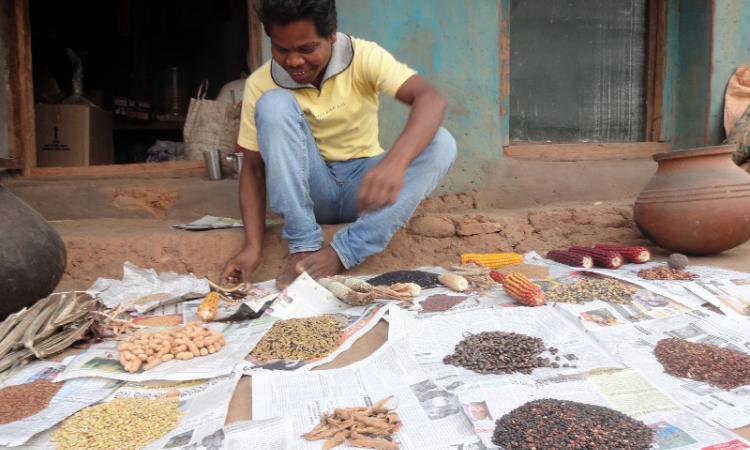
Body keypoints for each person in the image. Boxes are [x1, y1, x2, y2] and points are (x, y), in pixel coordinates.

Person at [221, 0, 456, 288]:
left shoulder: (363, 56)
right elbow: (253, 170)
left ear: (331, 34)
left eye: (307, 49)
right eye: (281, 49)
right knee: (274, 104)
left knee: (442, 142)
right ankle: (304, 248)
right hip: (312, 191)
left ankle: (342, 253)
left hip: (366, 190)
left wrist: (395, 163)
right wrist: (252, 249)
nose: (294, 60)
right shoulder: (261, 82)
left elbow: (430, 99)